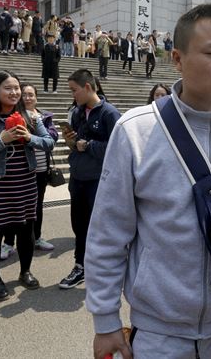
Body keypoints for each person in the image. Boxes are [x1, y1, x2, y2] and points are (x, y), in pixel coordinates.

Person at [84, 3, 211, 359]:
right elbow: (108, 233)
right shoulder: (136, 131)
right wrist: (106, 321)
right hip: (160, 331)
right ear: (177, 58)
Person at [0, 71, 55, 300]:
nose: (14, 92)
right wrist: (1, 140)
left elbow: (48, 143)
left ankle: (25, 271)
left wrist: (29, 138)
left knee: (26, 232)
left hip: (25, 184)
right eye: (8, 88)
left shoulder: (31, 117)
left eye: (17, 88)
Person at [59, 69, 121, 290]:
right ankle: (81, 266)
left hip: (99, 180)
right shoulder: (76, 112)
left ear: (87, 87)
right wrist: (71, 141)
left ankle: (105, 269)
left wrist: (89, 145)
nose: (72, 95)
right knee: (79, 225)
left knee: (101, 227)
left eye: (74, 90)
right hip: (78, 178)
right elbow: (76, 145)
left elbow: (119, 148)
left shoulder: (109, 114)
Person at [1, 84, 59, 259]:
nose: (27, 98)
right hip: (22, 169)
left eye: (31, 95)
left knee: (37, 206)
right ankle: (8, 243)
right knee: (14, 207)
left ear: (36, 98)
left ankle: (37, 238)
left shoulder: (44, 117)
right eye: (24, 95)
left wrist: (36, 123)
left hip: (41, 169)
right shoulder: (13, 116)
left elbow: (53, 137)